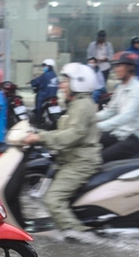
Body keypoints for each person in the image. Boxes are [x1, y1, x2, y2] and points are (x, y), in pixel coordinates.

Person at [22, 63, 102, 234]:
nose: (62, 84)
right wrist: (37, 132)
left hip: (80, 162)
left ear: (79, 82)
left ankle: (79, 237)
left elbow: (73, 134)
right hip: (69, 159)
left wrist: (40, 137)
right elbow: (63, 132)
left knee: (53, 200)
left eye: (66, 80)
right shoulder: (76, 104)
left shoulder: (82, 105)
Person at [96, 51, 139, 163]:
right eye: (116, 66)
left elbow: (126, 116)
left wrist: (98, 127)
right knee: (89, 146)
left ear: (130, 67)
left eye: (119, 66)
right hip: (120, 134)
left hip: (135, 138)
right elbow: (110, 111)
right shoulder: (120, 88)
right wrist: (89, 119)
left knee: (97, 159)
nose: (116, 69)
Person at [29, 59, 59, 124]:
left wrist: (32, 82)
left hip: (44, 96)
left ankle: (38, 120)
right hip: (53, 96)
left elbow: (36, 81)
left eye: (45, 66)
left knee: (38, 106)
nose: (44, 67)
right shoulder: (55, 75)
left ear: (49, 66)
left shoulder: (45, 75)